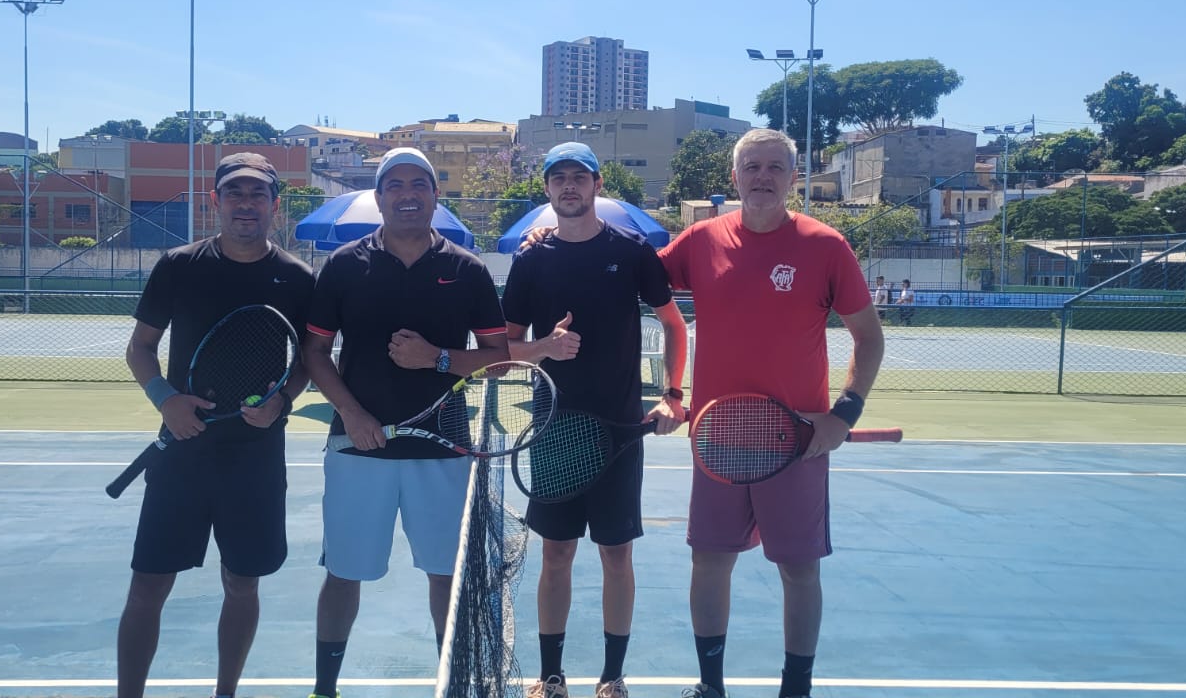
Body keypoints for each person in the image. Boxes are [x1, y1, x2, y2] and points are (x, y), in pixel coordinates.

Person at [657, 128, 885, 698]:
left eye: (775, 167)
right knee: (710, 562)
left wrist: (844, 414)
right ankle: (710, 686)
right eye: (752, 166)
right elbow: (630, 278)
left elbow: (869, 338)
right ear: (734, 177)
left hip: (797, 443)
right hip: (717, 440)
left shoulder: (826, 246)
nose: (763, 176)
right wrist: (558, 237)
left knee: (799, 570)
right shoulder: (699, 241)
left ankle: (795, 690)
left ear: (793, 177)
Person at [299, 147, 510, 698]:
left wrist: (437, 359)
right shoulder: (344, 265)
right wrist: (352, 414)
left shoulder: (466, 269)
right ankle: (325, 689)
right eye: (395, 185)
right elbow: (315, 353)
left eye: (420, 185)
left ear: (436, 197)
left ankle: (451, 685)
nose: (408, 194)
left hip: (443, 448)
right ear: (379, 196)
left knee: (447, 576)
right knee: (343, 573)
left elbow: (498, 358)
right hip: (357, 448)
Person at [118, 152, 314, 698]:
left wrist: (282, 403)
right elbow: (140, 349)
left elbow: (308, 361)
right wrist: (166, 401)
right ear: (215, 202)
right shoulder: (179, 266)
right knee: (148, 586)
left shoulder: (297, 278)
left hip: (254, 459)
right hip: (182, 454)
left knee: (242, 583)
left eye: (257, 195)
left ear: (274, 205)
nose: (246, 204)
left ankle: (224, 693)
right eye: (235, 194)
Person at [502, 142, 687, 698]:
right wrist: (545, 348)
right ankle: (551, 678)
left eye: (578, 177)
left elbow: (675, 325)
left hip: (620, 431)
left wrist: (673, 395)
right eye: (558, 178)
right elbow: (506, 347)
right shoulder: (531, 259)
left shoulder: (631, 253)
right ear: (547, 189)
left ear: (597, 185)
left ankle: (612, 678)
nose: (569, 186)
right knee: (556, 553)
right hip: (553, 428)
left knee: (616, 554)